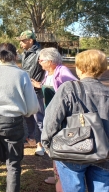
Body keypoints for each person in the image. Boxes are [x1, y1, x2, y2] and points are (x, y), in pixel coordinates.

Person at [42, 50, 109, 192]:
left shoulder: (69, 89)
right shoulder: (107, 93)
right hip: (103, 153)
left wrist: (46, 143)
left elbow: (52, 118)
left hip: (71, 150)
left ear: (81, 68)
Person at [0, 43, 39, 192]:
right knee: (13, 164)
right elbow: (32, 106)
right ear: (15, 56)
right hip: (13, 120)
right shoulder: (22, 74)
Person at [31, 47, 77, 189]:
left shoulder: (62, 71)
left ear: (50, 61)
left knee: (60, 146)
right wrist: (39, 85)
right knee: (53, 146)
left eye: (42, 59)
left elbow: (73, 89)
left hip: (61, 117)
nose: (39, 62)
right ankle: (57, 175)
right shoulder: (48, 72)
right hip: (50, 114)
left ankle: (62, 178)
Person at [16, 30, 45, 155]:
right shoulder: (24, 54)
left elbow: (48, 71)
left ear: (30, 40)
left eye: (23, 41)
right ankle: (32, 139)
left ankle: (41, 144)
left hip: (36, 91)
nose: (21, 43)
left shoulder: (40, 53)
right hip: (25, 89)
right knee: (27, 116)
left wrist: (41, 84)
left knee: (38, 117)